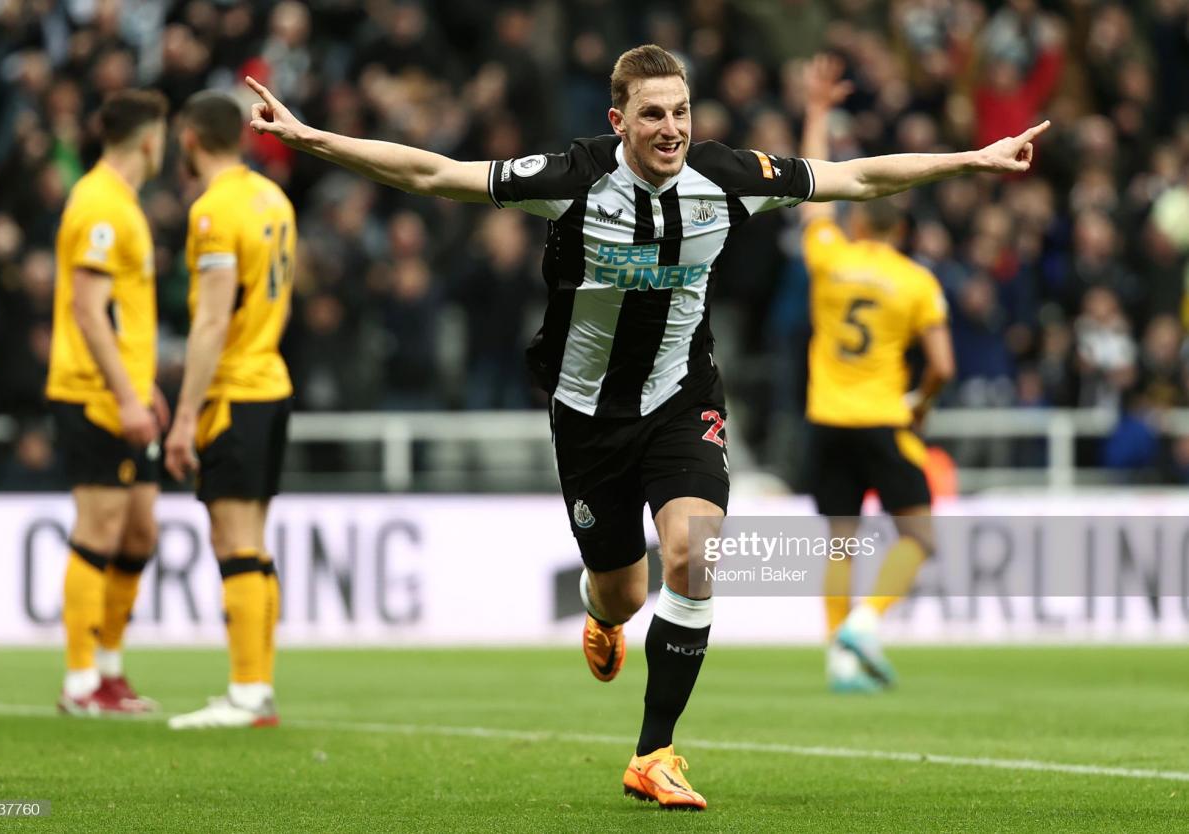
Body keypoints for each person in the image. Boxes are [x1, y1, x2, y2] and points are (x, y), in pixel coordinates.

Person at [244, 43, 1045, 809]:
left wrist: (972, 159)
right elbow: (432, 172)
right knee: (624, 590)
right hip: (587, 414)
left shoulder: (727, 176)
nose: (672, 129)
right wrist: (312, 138)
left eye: (683, 112)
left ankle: (653, 753)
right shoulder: (572, 176)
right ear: (618, 121)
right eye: (654, 114)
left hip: (680, 398)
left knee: (695, 554)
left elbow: (859, 177)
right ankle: (601, 618)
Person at [796, 55, 957, 692]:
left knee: (839, 542)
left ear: (861, 217)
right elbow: (943, 364)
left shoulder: (830, 255)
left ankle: (838, 656)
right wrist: (920, 401)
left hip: (825, 418)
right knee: (918, 534)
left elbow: (812, 188)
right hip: (883, 417)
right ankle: (866, 623)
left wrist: (816, 111)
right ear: (904, 227)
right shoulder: (917, 282)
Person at [163, 91, 295, 730]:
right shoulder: (273, 198)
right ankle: (256, 688)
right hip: (272, 381)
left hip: (235, 390)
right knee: (254, 544)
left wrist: (185, 417)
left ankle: (248, 693)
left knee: (234, 541)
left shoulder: (214, 211)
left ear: (189, 139)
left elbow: (212, 320)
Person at [47, 89, 170, 716]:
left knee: (139, 529)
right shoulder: (99, 203)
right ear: (150, 139)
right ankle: (79, 680)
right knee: (98, 527)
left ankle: (112, 671)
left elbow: (117, 317)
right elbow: (88, 312)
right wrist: (125, 394)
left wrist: (142, 383)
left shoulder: (122, 204)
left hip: (123, 390)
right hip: (92, 393)